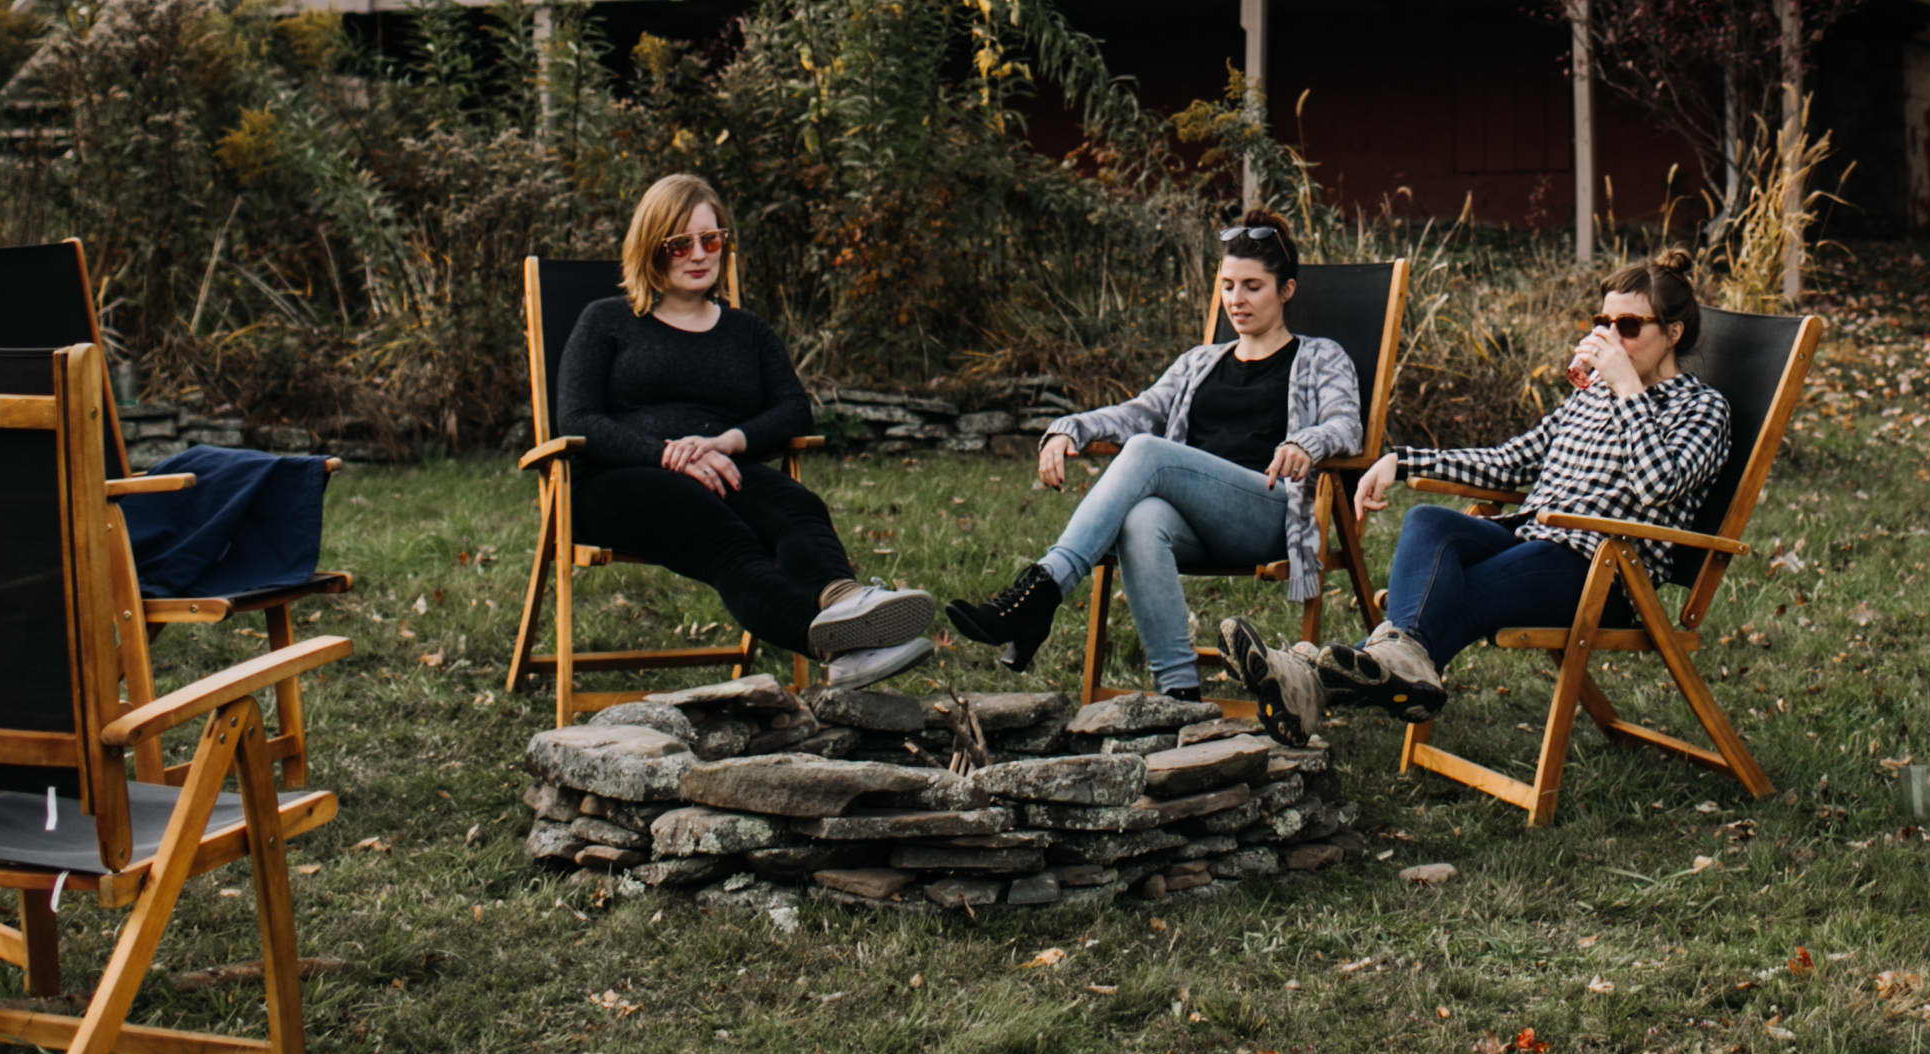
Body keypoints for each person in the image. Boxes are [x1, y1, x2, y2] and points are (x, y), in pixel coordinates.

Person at [1218, 249, 1729, 744]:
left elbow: (1658, 486)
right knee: (1428, 523)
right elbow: (1511, 460)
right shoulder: (1591, 398)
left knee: (1453, 590)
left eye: (1630, 327)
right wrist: (1402, 461)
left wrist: (1627, 392)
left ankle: (1306, 677)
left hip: (1605, 570)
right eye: (1604, 322)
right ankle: (1388, 665)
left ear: (1673, 334)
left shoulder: (1702, 409)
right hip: (1534, 542)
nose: (1611, 339)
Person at [945, 218, 1364, 698]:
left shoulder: (1321, 357)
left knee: (1148, 453)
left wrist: (1305, 443)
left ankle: (1041, 591)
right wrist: (1069, 429)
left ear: (1285, 290)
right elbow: (1138, 412)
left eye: (1253, 287)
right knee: (1141, 517)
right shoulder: (1198, 362)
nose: (1236, 300)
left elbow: (1345, 426)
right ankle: (1178, 693)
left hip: (1268, 513)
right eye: (1227, 285)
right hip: (1199, 523)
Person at [555, 175, 939, 688]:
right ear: (652, 249)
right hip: (619, 481)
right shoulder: (606, 321)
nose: (699, 255)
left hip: (723, 467)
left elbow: (793, 410)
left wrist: (725, 442)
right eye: (680, 244)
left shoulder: (746, 330)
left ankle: (846, 603)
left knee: (796, 504)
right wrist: (669, 455)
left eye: (711, 240)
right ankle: (839, 645)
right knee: (723, 535)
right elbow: (577, 420)